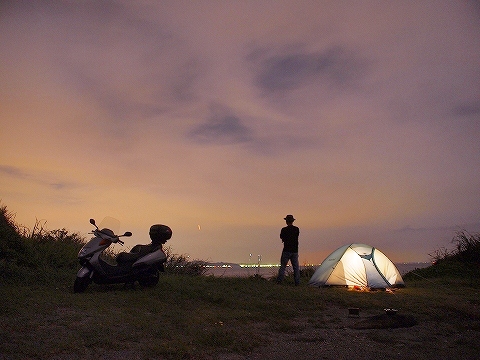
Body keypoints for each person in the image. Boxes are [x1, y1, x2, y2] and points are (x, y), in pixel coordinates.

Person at [277, 214, 300, 285]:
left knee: (283, 266)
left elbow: (281, 237)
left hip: (286, 250)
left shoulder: (284, 230)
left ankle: (280, 281)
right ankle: (297, 282)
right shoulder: (296, 229)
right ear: (292, 221)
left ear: (286, 221)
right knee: (296, 267)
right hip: (295, 250)